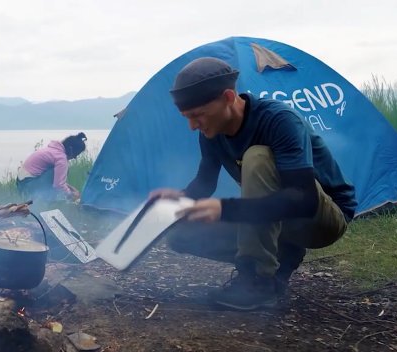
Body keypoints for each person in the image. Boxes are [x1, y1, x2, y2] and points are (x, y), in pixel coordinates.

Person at [150, 57, 357, 311]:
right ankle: (284, 253)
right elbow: (205, 183)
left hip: (323, 219)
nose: (193, 126)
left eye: (198, 115)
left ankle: (257, 280)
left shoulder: (278, 119)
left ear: (228, 97)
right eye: (187, 117)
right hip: (281, 216)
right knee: (181, 235)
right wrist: (179, 199)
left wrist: (225, 210)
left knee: (257, 156)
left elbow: (304, 200)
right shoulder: (212, 131)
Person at [16, 132, 87, 203]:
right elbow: (58, 185)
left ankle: (49, 200)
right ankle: (49, 202)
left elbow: (59, 181)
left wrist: (72, 189)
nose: (75, 158)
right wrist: (72, 195)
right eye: (76, 154)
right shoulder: (61, 158)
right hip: (28, 185)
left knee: (59, 173)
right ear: (71, 149)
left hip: (21, 183)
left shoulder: (53, 151)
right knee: (62, 170)